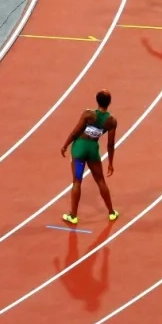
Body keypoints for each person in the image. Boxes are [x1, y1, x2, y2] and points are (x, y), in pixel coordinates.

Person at [60, 90, 119, 225]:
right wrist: (110, 163)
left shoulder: (88, 114)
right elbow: (110, 144)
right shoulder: (111, 121)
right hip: (93, 151)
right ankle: (111, 213)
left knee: (77, 181)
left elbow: (75, 132)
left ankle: (73, 216)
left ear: (97, 101)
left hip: (79, 150)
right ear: (109, 102)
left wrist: (65, 145)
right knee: (100, 181)